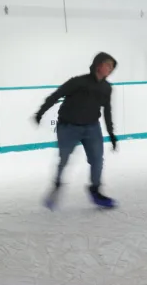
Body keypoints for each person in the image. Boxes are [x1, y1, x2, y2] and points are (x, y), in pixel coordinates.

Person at [35, 52, 121, 210]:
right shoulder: (78, 82)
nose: (110, 69)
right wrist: (40, 112)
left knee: (97, 160)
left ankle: (95, 190)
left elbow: (107, 111)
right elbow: (56, 95)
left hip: (92, 128)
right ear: (98, 64)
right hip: (68, 127)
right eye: (108, 65)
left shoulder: (107, 88)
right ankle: (57, 186)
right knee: (64, 159)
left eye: (112, 67)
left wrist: (112, 135)